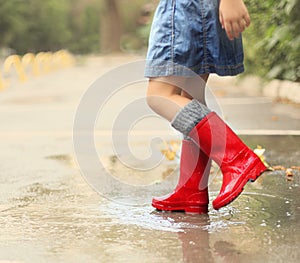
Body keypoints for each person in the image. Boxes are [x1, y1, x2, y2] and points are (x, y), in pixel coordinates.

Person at [144, 0, 266, 213]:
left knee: (160, 96)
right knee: (190, 95)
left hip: (185, 8)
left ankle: (238, 159)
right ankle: (192, 189)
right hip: (197, 9)